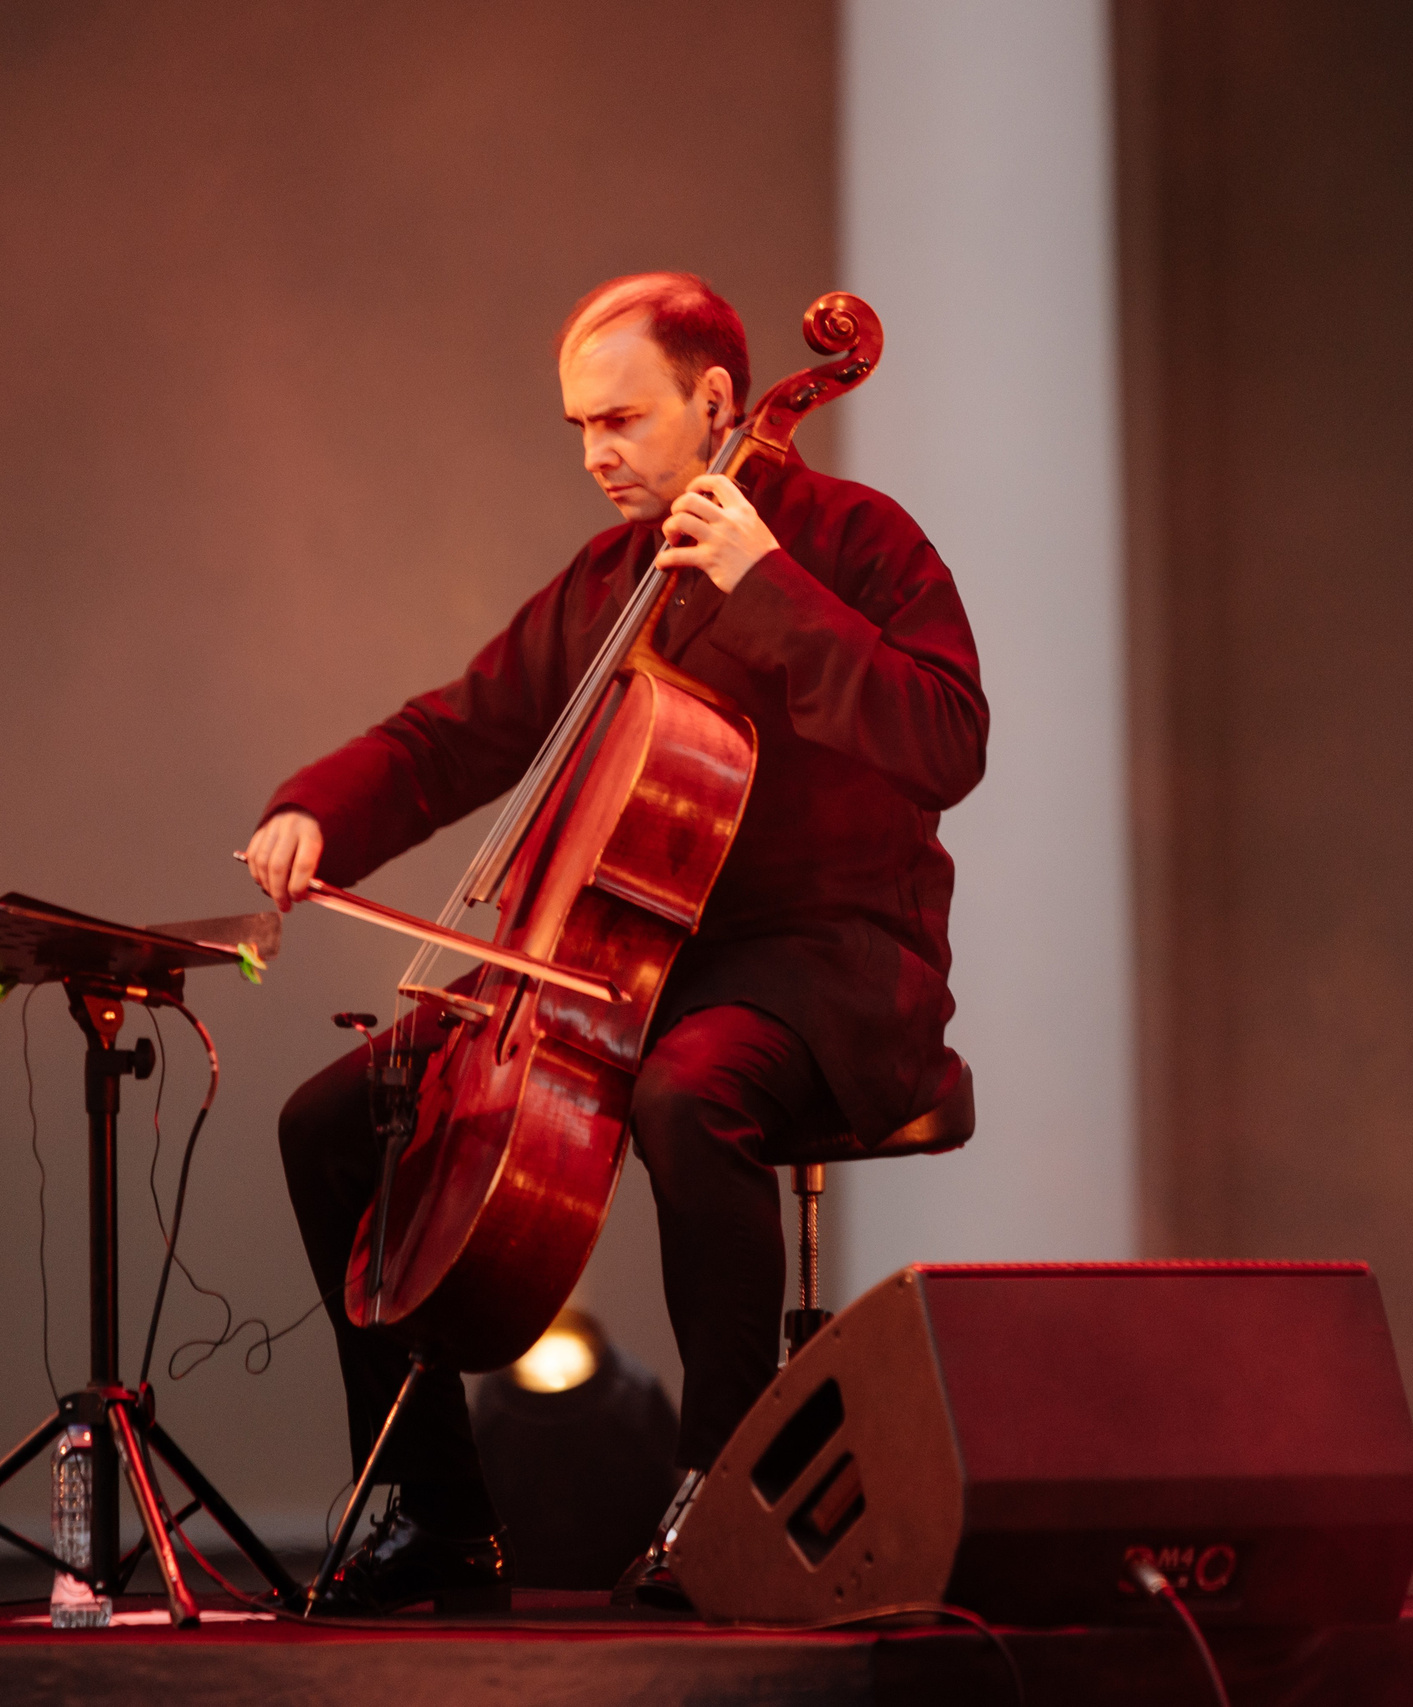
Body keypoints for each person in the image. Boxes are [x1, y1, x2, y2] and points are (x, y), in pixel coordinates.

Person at [244, 272, 986, 1614]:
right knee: (331, 1122)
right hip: (637, 961)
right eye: (579, 425)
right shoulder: (610, 580)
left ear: (716, 402)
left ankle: (722, 1498)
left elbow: (947, 738)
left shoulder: (855, 543)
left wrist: (769, 588)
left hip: (828, 962)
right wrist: (315, 811)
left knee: (690, 1091)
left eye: (623, 420)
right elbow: (453, 735)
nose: (596, 452)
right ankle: (441, 1515)